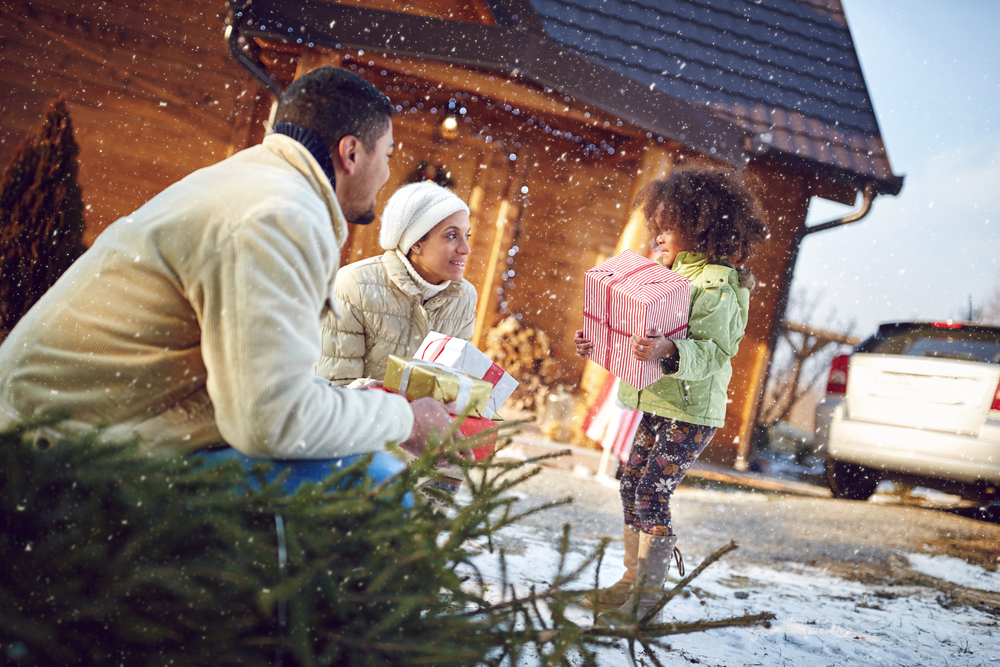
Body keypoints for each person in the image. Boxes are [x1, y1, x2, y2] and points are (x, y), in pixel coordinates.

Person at [0, 66, 454, 479]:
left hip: (65, 427)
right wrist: (407, 421)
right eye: (388, 154)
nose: (388, 174)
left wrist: (366, 400)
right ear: (351, 153)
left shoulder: (256, 188)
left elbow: (252, 382)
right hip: (48, 455)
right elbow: (271, 422)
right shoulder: (280, 217)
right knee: (376, 482)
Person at [575, 168, 768, 623]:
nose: (656, 234)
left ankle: (648, 601)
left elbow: (716, 353)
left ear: (701, 226)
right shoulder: (660, 274)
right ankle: (629, 584)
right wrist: (598, 343)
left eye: (668, 225)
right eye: (655, 224)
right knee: (630, 483)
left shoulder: (717, 284)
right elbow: (633, 335)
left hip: (691, 411)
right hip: (658, 402)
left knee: (651, 493)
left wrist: (669, 349)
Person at [316, 181, 477, 386]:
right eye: (452, 235)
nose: (466, 249)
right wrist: (399, 407)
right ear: (416, 242)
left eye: (467, 236)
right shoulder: (354, 285)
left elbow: (451, 381)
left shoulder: (464, 296)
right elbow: (336, 387)